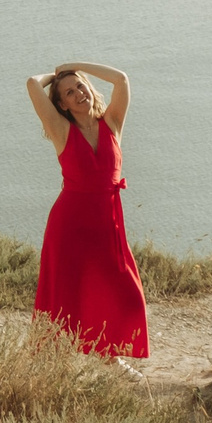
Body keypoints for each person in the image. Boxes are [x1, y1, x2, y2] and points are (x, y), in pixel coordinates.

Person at [24, 61, 149, 371]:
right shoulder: (61, 130)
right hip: (70, 224)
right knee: (65, 292)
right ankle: (52, 364)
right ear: (62, 105)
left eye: (80, 86)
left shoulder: (113, 123)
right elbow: (31, 83)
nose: (78, 93)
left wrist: (77, 66)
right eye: (69, 92)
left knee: (122, 291)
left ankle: (111, 356)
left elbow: (121, 79)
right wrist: (55, 75)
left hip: (108, 222)